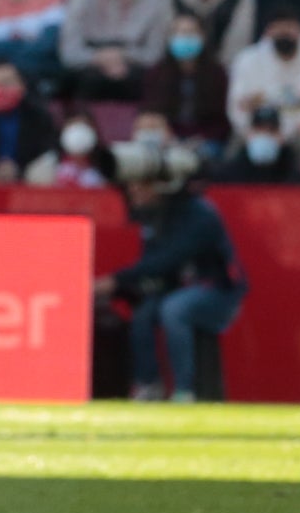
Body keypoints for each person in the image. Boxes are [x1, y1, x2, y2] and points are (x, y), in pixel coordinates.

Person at [100, 142, 246, 402]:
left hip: (218, 292)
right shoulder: (157, 216)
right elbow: (153, 264)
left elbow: (168, 260)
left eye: (140, 184)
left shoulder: (200, 215)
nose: (132, 190)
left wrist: (115, 281)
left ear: (159, 186)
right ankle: (148, 385)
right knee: (144, 313)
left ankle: (184, 390)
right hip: (178, 289)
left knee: (174, 309)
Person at [226, 2, 300, 145]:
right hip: (258, 133)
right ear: (268, 31)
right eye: (278, 29)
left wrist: (285, 132)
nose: (284, 34)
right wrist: (259, 133)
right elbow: (237, 107)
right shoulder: (247, 60)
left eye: (289, 28)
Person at [142, 12, 233, 147]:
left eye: (190, 32)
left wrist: (200, 139)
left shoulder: (217, 74)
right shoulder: (157, 73)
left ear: (202, 37)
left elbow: (222, 120)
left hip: (206, 139)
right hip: (167, 137)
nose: (184, 37)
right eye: (178, 33)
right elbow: (149, 111)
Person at [215, 103, 300, 184]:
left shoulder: (293, 173)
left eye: (271, 131)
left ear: (281, 136)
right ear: (249, 134)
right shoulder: (230, 173)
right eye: (259, 130)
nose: (264, 136)